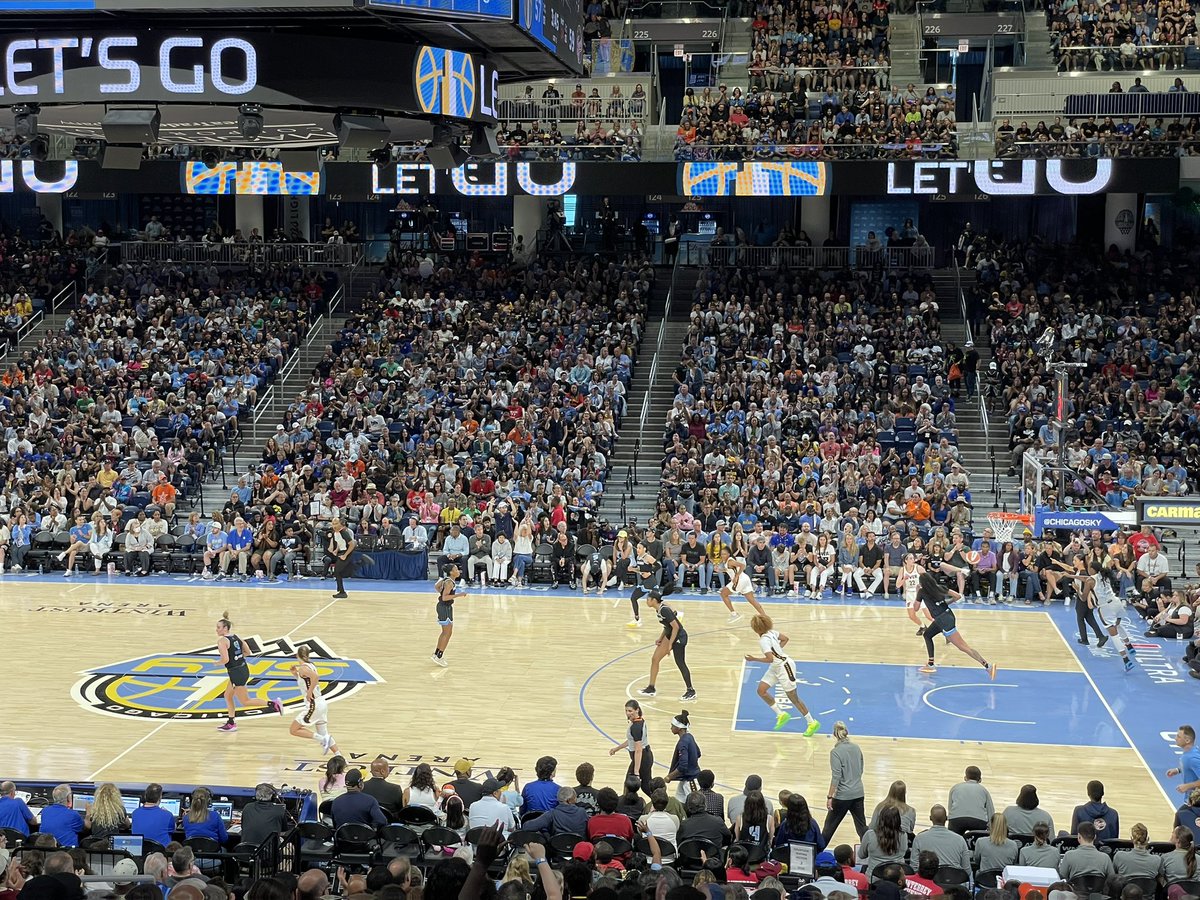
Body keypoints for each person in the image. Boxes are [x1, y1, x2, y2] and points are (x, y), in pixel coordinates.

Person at [743, 614, 821, 735]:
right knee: (761, 690)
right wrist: (778, 651)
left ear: (755, 628)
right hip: (776, 666)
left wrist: (754, 659)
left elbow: (770, 659)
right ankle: (781, 714)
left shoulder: (763, 641)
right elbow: (785, 639)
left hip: (785, 667)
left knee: (793, 697)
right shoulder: (772, 632)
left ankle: (812, 722)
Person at [916, 571, 998, 678]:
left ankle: (988, 666)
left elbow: (916, 608)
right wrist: (945, 603)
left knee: (963, 647)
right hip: (947, 616)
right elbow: (958, 596)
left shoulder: (922, 592)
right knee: (927, 635)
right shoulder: (939, 587)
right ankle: (931, 663)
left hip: (943, 621)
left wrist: (917, 592)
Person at [215, 611, 282, 733]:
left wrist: (216, 663)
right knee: (227, 695)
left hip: (236, 673)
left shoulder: (222, 641)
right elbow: (248, 652)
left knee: (245, 701)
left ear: (225, 628)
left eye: (218, 627)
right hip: (243, 669)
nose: (216, 630)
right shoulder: (236, 637)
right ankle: (231, 722)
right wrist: (239, 658)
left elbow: (225, 659)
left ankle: (273, 704)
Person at [639, 590, 696, 702]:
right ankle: (651, 688)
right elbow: (667, 627)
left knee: (680, 663)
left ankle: (691, 691)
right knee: (655, 659)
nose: (646, 601)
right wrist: (660, 639)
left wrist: (670, 644)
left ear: (653, 600)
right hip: (670, 635)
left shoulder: (664, 610)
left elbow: (676, 627)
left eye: (648, 599)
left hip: (679, 637)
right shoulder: (659, 609)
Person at [287, 644, 340, 755]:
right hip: (321, 703)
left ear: (297, 655)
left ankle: (322, 740)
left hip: (313, 704)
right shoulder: (310, 665)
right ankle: (339, 756)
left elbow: (315, 677)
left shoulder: (303, 668)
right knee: (324, 733)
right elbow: (307, 681)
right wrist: (295, 674)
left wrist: (310, 692)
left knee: (294, 729)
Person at [822, 721, 866, 844]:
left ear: (834, 735)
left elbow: (836, 776)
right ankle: (868, 854)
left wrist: (830, 796)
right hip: (858, 792)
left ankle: (815, 853)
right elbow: (861, 768)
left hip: (842, 796)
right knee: (862, 828)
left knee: (828, 828)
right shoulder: (857, 748)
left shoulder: (835, 752)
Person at [609, 699, 654, 795]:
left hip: (642, 758)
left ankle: (661, 803)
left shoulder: (635, 727)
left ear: (637, 710)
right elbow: (631, 741)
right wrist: (617, 748)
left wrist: (636, 772)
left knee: (641, 786)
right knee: (643, 785)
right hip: (645, 756)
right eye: (626, 711)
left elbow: (638, 750)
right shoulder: (639, 720)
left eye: (630, 711)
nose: (627, 713)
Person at [911, 805, 971, 872]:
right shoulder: (960, 839)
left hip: (929, 880)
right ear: (946, 818)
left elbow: (914, 867)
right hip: (954, 880)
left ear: (930, 818)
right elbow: (967, 870)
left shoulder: (919, 838)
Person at [857, 807, 908, 880]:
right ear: (898, 820)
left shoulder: (870, 835)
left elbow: (861, 855)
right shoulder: (904, 835)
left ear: (880, 819)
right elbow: (904, 852)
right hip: (897, 879)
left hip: (874, 879)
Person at [718, 550, 767, 623]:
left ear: (728, 554)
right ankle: (765, 617)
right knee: (752, 600)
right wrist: (720, 570)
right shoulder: (728, 562)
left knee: (723, 594)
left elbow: (742, 566)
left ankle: (734, 614)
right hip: (745, 579)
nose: (723, 555)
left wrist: (736, 576)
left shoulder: (730, 561)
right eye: (722, 554)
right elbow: (729, 569)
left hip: (740, 580)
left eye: (725, 554)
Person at [432, 563, 465, 667]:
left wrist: (441, 592)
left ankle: (437, 653)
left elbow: (436, 586)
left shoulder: (446, 579)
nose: (458, 570)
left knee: (445, 632)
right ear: (451, 572)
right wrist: (459, 595)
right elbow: (445, 598)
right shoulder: (449, 583)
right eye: (456, 569)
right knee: (448, 633)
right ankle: (439, 656)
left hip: (444, 607)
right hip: (444, 607)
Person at [664, 710, 702, 802]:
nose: (671, 728)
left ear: (679, 728)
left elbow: (683, 766)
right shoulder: (690, 736)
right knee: (679, 802)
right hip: (686, 778)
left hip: (691, 780)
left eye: (673, 726)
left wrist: (669, 777)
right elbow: (698, 753)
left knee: (696, 805)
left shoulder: (682, 742)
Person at [948, 766, 993, 834]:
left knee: (954, 840)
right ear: (980, 780)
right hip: (978, 820)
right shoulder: (983, 790)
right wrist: (990, 827)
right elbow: (990, 810)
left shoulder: (955, 788)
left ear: (965, 778)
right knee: (977, 841)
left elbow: (950, 808)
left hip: (957, 820)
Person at [627, 541, 662, 628]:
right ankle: (637, 619)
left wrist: (651, 572)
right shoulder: (638, 557)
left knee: (654, 603)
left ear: (644, 549)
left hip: (650, 581)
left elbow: (658, 566)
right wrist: (633, 569)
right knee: (634, 598)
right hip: (644, 581)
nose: (637, 549)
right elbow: (641, 569)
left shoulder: (648, 557)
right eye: (637, 548)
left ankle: (673, 615)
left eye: (639, 548)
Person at [899, 553, 931, 633]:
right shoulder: (902, 570)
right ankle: (923, 626)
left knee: (929, 616)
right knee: (912, 616)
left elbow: (929, 580)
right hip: (909, 594)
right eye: (910, 558)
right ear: (906, 560)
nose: (912, 560)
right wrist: (904, 579)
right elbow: (897, 584)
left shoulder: (918, 568)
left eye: (913, 558)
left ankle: (945, 631)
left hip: (919, 593)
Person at [328, 517, 357, 599]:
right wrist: (336, 550)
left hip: (347, 552)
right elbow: (339, 542)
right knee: (339, 572)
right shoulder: (335, 533)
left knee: (337, 571)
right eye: (333, 524)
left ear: (340, 524)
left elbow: (352, 544)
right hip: (341, 552)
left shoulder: (344, 532)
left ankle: (342, 592)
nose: (334, 526)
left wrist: (345, 555)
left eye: (336, 523)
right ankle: (341, 591)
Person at [1167, 725, 1200, 795]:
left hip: (1195, 803)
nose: (1175, 738)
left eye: (1178, 737)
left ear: (1187, 740)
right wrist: (1178, 770)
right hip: (1191, 800)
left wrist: (1187, 786)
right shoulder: (1189, 752)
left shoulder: (1192, 758)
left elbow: (1193, 763)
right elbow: (1190, 766)